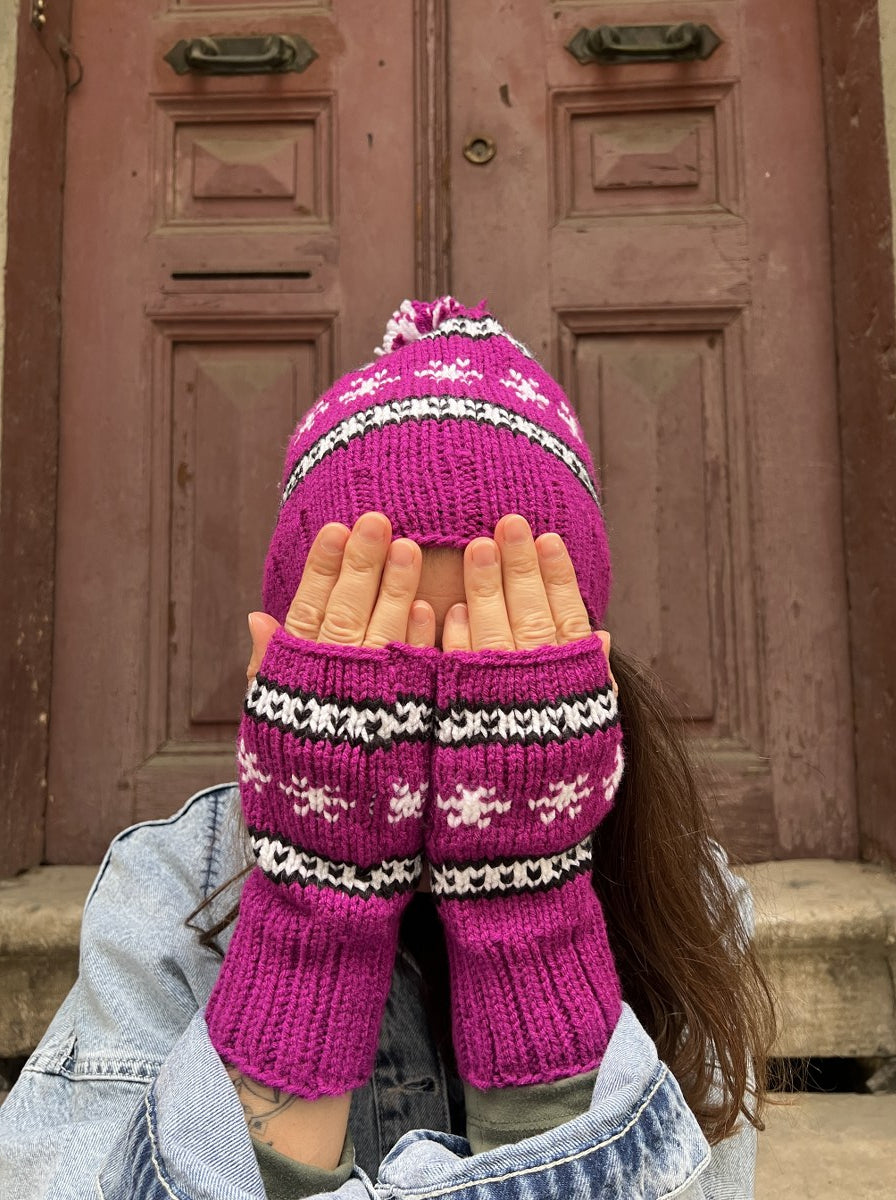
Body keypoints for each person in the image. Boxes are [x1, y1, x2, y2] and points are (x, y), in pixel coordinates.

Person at [0, 298, 775, 1199]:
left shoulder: (687, 902)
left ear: (585, 679)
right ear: (272, 670)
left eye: (490, 663)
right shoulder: (165, 893)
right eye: (380, 662)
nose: (443, 722)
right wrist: (311, 926)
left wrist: (532, 926)